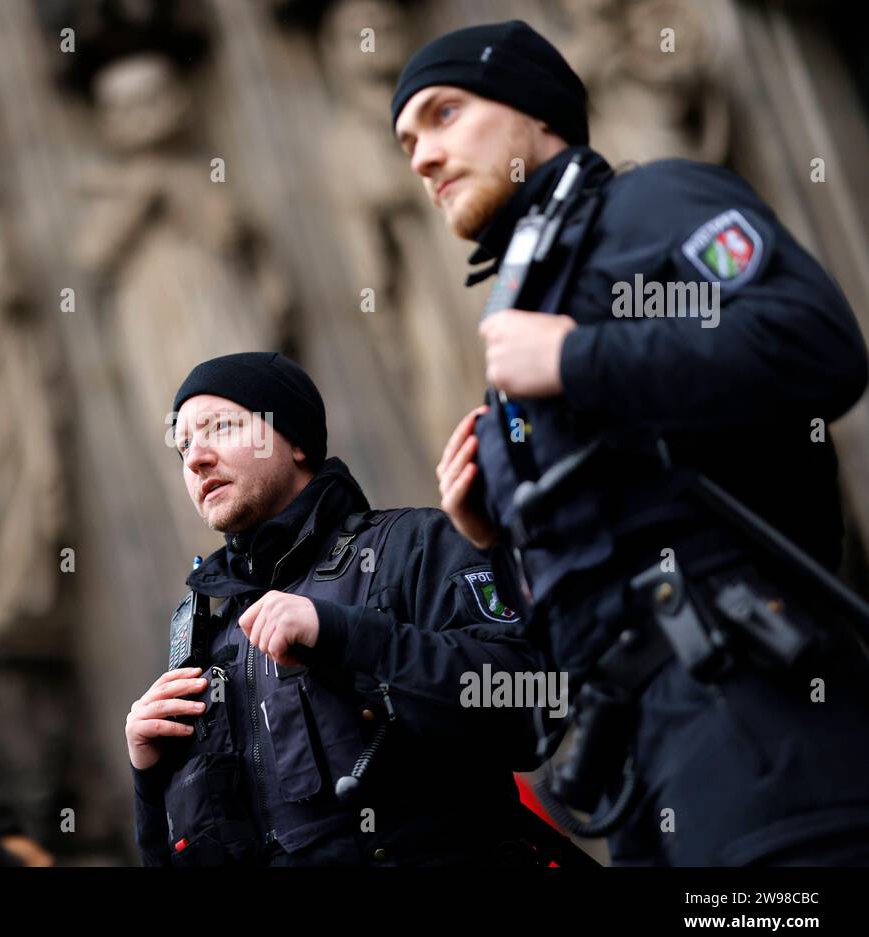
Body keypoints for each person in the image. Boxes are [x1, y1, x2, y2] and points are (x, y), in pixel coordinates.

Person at [393, 19, 869, 864]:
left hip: (758, 720)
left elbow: (813, 341)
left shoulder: (655, 203)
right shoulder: (530, 295)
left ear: (535, 115)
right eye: (407, 141)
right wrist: (494, 544)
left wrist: (577, 358)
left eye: (445, 113)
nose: (423, 156)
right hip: (641, 771)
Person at [124, 351, 551, 865]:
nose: (195, 458)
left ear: (296, 440)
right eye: (184, 446)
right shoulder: (205, 642)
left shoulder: (414, 544)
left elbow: (535, 705)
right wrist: (150, 781)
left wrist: (349, 636)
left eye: (222, 427)